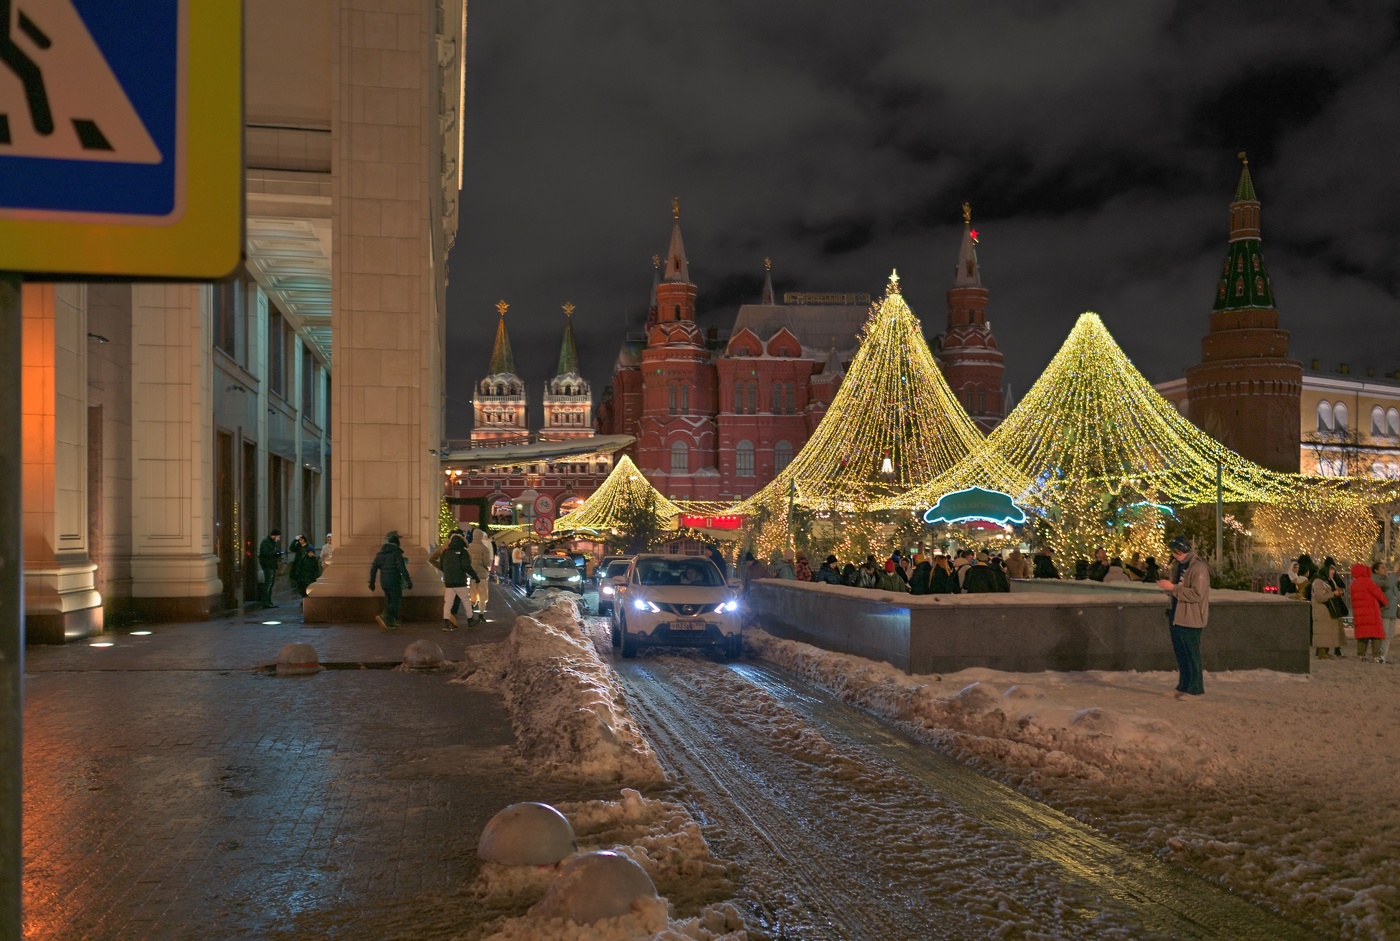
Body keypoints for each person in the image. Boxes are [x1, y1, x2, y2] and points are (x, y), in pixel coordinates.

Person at [1157, 535, 1209, 699]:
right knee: (1182, 653)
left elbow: (1197, 594)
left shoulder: (1198, 568)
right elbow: (1179, 588)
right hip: (1177, 614)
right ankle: (1183, 686)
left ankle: (1195, 688)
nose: (1174, 555)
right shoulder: (1179, 566)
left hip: (1191, 617)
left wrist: (1172, 588)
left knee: (1191, 654)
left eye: (1177, 551)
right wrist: (1169, 588)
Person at [429, 529, 478, 631]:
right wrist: (475, 576)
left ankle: (446, 623)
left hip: (449, 582)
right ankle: (470, 620)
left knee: (448, 603)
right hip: (460, 581)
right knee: (466, 601)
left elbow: (442, 564)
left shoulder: (445, 552)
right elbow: (466, 566)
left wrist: (446, 571)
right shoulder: (463, 552)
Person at [369, 530, 413, 630]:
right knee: (396, 600)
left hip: (383, 581)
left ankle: (390, 622)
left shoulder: (380, 554)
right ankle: (384, 615)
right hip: (394, 580)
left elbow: (374, 568)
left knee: (390, 600)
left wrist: (372, 582)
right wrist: (408, 580)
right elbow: (402, 568)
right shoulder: (396, 553)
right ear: (397, 543)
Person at [1349, 562, 1388, 661]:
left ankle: (1361, 655)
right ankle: (1376, 656)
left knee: (1362, 636)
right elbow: (1378, 593)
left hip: (1359, 615)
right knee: (1376, 636)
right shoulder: (1368, 582)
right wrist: (1385, 602)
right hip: (1371, 613)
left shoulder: (1353, 584)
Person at [1309, 562, 1344, 659]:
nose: (1332, 576)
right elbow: (1320, 597)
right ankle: (1322, 653)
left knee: (1326, 632)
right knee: (1322, 633)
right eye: (1331, 573)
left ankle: (1325, 652)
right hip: (1321, 611)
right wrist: (1333, 594)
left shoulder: (1324, 581)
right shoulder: (1319, 582)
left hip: (1324, 612)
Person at [467, 528, 494, 625]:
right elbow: (487, 563)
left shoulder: (468, 547)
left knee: (473, 595)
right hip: (482, 575)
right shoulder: (484, 548)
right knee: (483, 596)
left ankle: (470, 613)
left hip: (472, 574)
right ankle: (481, 615)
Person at [257, 529, 282, 608]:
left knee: (271, 584)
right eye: (278, 536)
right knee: (268, 584)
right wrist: (275, 552)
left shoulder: (271, 542)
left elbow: (271, 553)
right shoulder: (266, 542)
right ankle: (265, 602)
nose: (278, 538)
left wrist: (278, 553)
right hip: (267, 565)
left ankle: (269, 601)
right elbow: (265, 553)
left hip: (272, 565)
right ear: (274, 535)